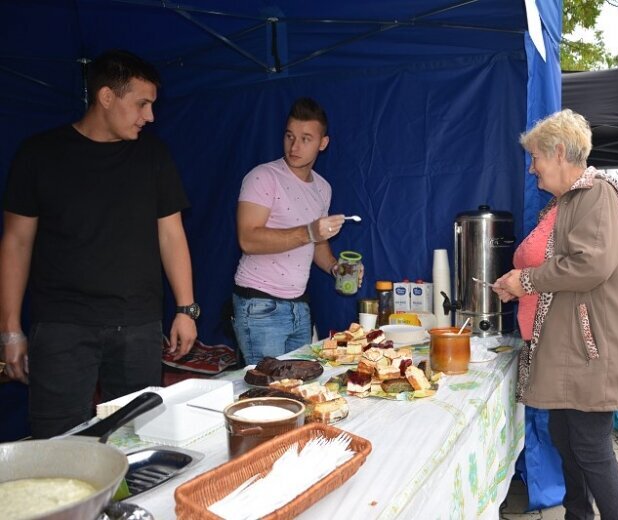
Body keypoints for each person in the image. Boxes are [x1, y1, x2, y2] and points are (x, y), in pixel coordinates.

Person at [0, 50, 198, 438]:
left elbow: (171, 234)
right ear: (106, 97)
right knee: (59, 445)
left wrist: (186, 308)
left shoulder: (153, 154)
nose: (150, 116)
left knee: (134, 438)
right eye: (142, 104)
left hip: (139, 323)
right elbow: (16, 243)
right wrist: (9, 330)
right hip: (62, 326)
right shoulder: (39, 153)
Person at [493, 109, 618, 519]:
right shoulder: (565, 202)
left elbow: (588, 265)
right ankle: (578, 515)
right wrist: (518, 282)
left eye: (536, 157)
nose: (531, 167)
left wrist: (524, 282)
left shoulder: (597, 194)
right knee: (564, 439)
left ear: (559, 152)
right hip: (567, 351)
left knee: (591, 450)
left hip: (591, 352)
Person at [233, 98, 353, 366]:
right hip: (260, 305)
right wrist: (310, 232)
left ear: (323, 144)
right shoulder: (263, 176)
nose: (295, 146)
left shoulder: (323, 187)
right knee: (268, 395)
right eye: (290, 136)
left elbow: (317, 244)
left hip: (300, 306)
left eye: (305, 139)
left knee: (297, 392)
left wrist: (336, 268)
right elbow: (248, 239)